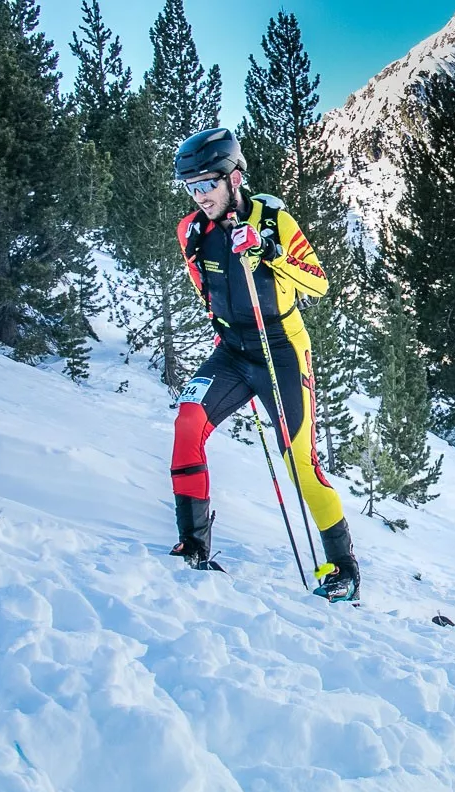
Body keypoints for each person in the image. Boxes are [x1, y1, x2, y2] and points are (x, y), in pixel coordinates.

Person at [167, 127, 359, 602]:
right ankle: (193, 544)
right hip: (233, 351)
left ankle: (344, 568)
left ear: (233, 177)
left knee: (300, 462)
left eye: (206, 184)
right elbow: (204, 290)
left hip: (283, 350)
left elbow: (318, 284)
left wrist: (270, 255)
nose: (198, 196)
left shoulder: (272, 217)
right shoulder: (191, 231)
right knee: (188, 424)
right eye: (190, 187)